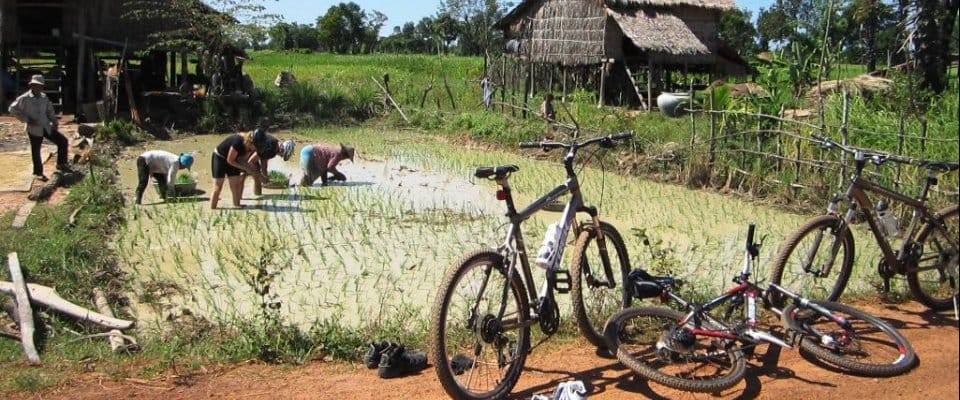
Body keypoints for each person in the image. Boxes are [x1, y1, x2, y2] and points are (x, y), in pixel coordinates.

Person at [8, 74, 71, 181]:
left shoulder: (44, 97)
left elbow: (49, 111)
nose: (38, 88)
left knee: (63, 141)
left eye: (40, 86)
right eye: (35, 85)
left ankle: (61, 164)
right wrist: (26, 119)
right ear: (31, 85)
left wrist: (54, 122)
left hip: (45, 126)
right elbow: (12, 109)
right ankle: (38, 172)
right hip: (33, 128)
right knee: (36, 150)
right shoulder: (24, 98)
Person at [209, 131, 264, 209]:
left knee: (236, 186)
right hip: (220, 157)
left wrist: (251, 170)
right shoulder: (238, 142)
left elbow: (242, 160)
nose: (256, 149)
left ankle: (237, 207)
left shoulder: (250, 148)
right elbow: (229, 160)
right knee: (218, 188)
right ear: (250, 142)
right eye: (256, 146)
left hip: (234, 160)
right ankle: (212, 210)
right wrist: (245, 168)